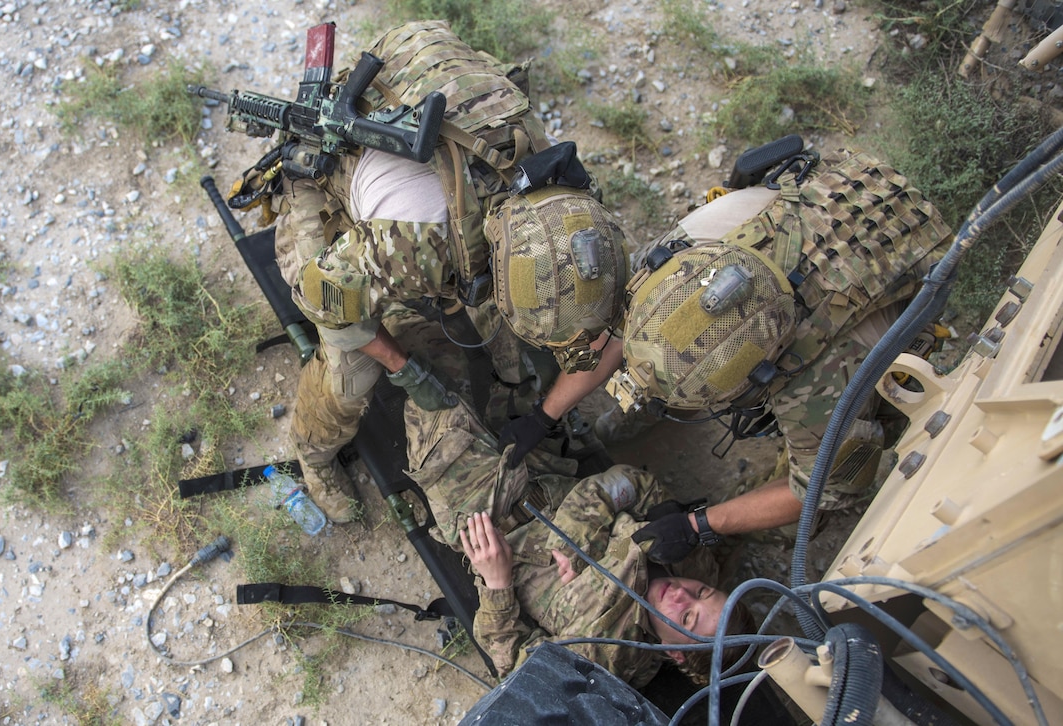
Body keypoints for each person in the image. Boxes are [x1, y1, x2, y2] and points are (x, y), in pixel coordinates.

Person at [269, 21, 630, 523]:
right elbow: (319, 301)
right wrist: (403, 367)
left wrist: (543, 410)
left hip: (437, 79)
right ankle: (313, 455)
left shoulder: (577, 214)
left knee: (507, 337)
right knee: (351, 369)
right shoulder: (415, 248)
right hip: (329, 161)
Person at [599, 146, 954, 556]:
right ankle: (662, 398)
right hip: (842, 188)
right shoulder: (678, 252)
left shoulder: (818, 389)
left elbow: (819, 491)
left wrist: (700, 525)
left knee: (803, 512)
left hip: (907, 254)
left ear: (760, 376)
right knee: (676, 364)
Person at [402, 395, 754, 687]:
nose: (681, 593)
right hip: (551, 471)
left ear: (675, 653)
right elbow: (632, 484)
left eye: (688, 617)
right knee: (501, 368)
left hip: (487, 517)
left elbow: (514, 668)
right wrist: (582, 543)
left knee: (425, 390)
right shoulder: (689, 558)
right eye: (703, 592)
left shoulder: (602, 656)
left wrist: (497, 583)